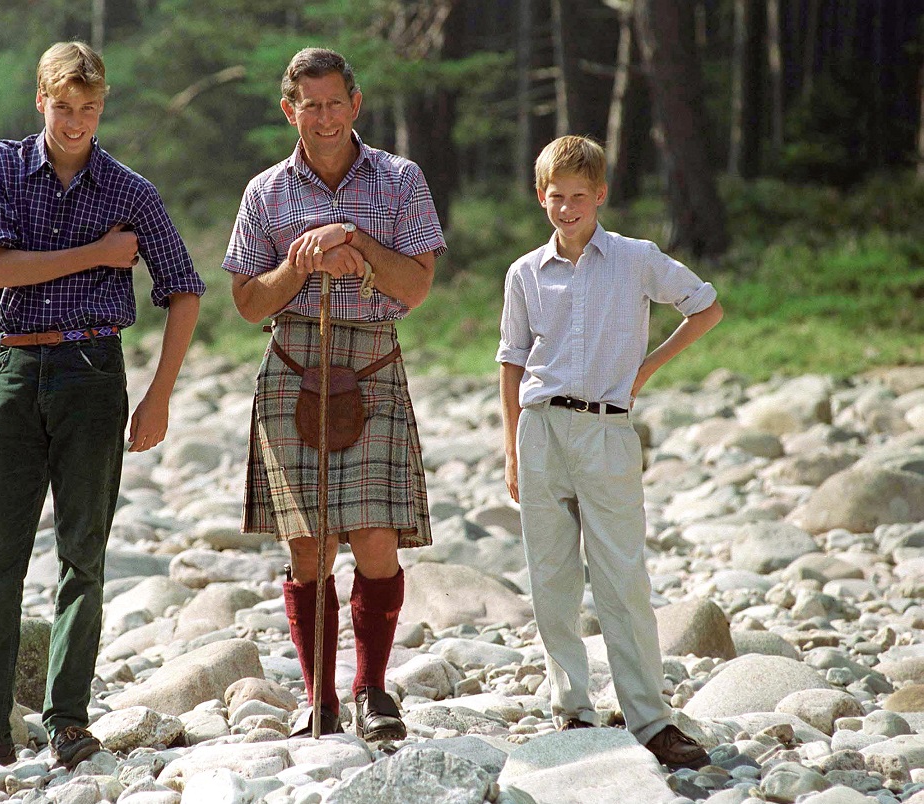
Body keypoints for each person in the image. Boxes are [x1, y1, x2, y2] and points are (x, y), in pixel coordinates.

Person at [0, 41, 204, 782]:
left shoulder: (130, 189)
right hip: (16, 369)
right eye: (63, 106)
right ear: (40, 100)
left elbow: (185, 289)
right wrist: (99, 254)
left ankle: (68, 723)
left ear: (103, 107)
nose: (76, 122)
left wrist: (159, 396)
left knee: (83, 556)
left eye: (90, 108)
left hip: (94, 374)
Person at [222, 48, 445, 741]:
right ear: (289, 111)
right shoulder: (265, 193)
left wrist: (355, 240)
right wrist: (303, 261)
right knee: (308, 547)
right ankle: (319, 699)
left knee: (376, 539)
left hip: (373, 361)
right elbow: (247, 303)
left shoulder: (401, 180)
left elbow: (416, 287)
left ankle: (372, 691)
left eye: (334, 103)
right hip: (292, 363)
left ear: (356, 104)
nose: (324, 118)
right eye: (309, 106)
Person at [498, 135, 722, 769]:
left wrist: (644, 371)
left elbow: (706, 308)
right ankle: (572, 711)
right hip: (540, 431)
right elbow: (512, 361)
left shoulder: (635, 259)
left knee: (622, 579)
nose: (567, 208)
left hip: (607, 431)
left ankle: (651, 720)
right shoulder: (524, 273)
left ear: (600, 195)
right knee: (552, 579)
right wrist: (511, 450)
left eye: (579, 196)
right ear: (540, 197)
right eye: (556, 196)